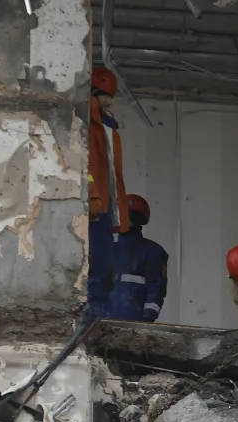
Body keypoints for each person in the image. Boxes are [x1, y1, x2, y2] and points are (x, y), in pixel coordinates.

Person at [87, 65, 130, 319]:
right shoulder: (90, 121)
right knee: (99, 262)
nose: (110, 102)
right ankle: (95, 311)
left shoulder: (105, 124)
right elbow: (89, 162)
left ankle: (98, 310)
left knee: (105, 263)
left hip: (103, 202)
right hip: (96, 204)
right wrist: (93, 194)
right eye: (107, 96)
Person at [108, 194, 168, 322]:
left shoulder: (152, 251)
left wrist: (148, 318)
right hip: (101, 322)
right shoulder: (105, 248)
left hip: (134, 324)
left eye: (123, 215)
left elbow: (156, 288)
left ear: (136, 218)